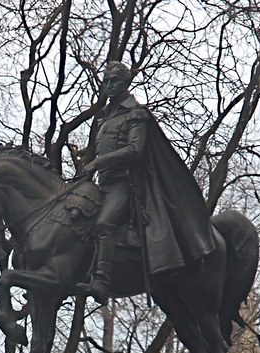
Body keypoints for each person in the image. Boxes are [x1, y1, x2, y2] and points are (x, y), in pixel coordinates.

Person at [75, 61, 215, 304]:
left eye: (114, 81)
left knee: (103, 225)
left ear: (126, 83)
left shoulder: (136, 113)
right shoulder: (106, 116)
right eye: (105, 81)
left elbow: (135, 150)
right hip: (103, 185)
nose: (108, 86)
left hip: (124, 185)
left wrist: (98, 162)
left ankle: (101, 282)